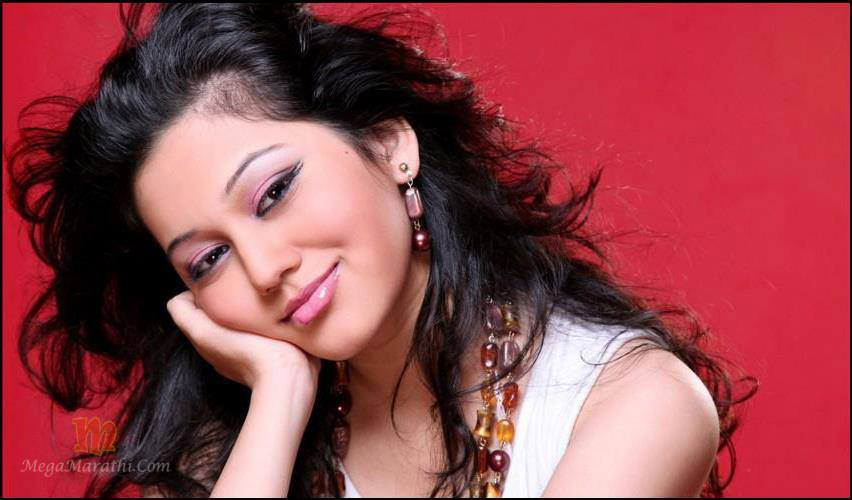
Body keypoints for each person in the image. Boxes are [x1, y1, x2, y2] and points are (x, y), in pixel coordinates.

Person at [6, 3, 758, 498]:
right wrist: (280, 398)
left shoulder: (633, 403)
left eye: (274, 193)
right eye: (209, 260)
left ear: (389, 144)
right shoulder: (231, 444)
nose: (264, 269)